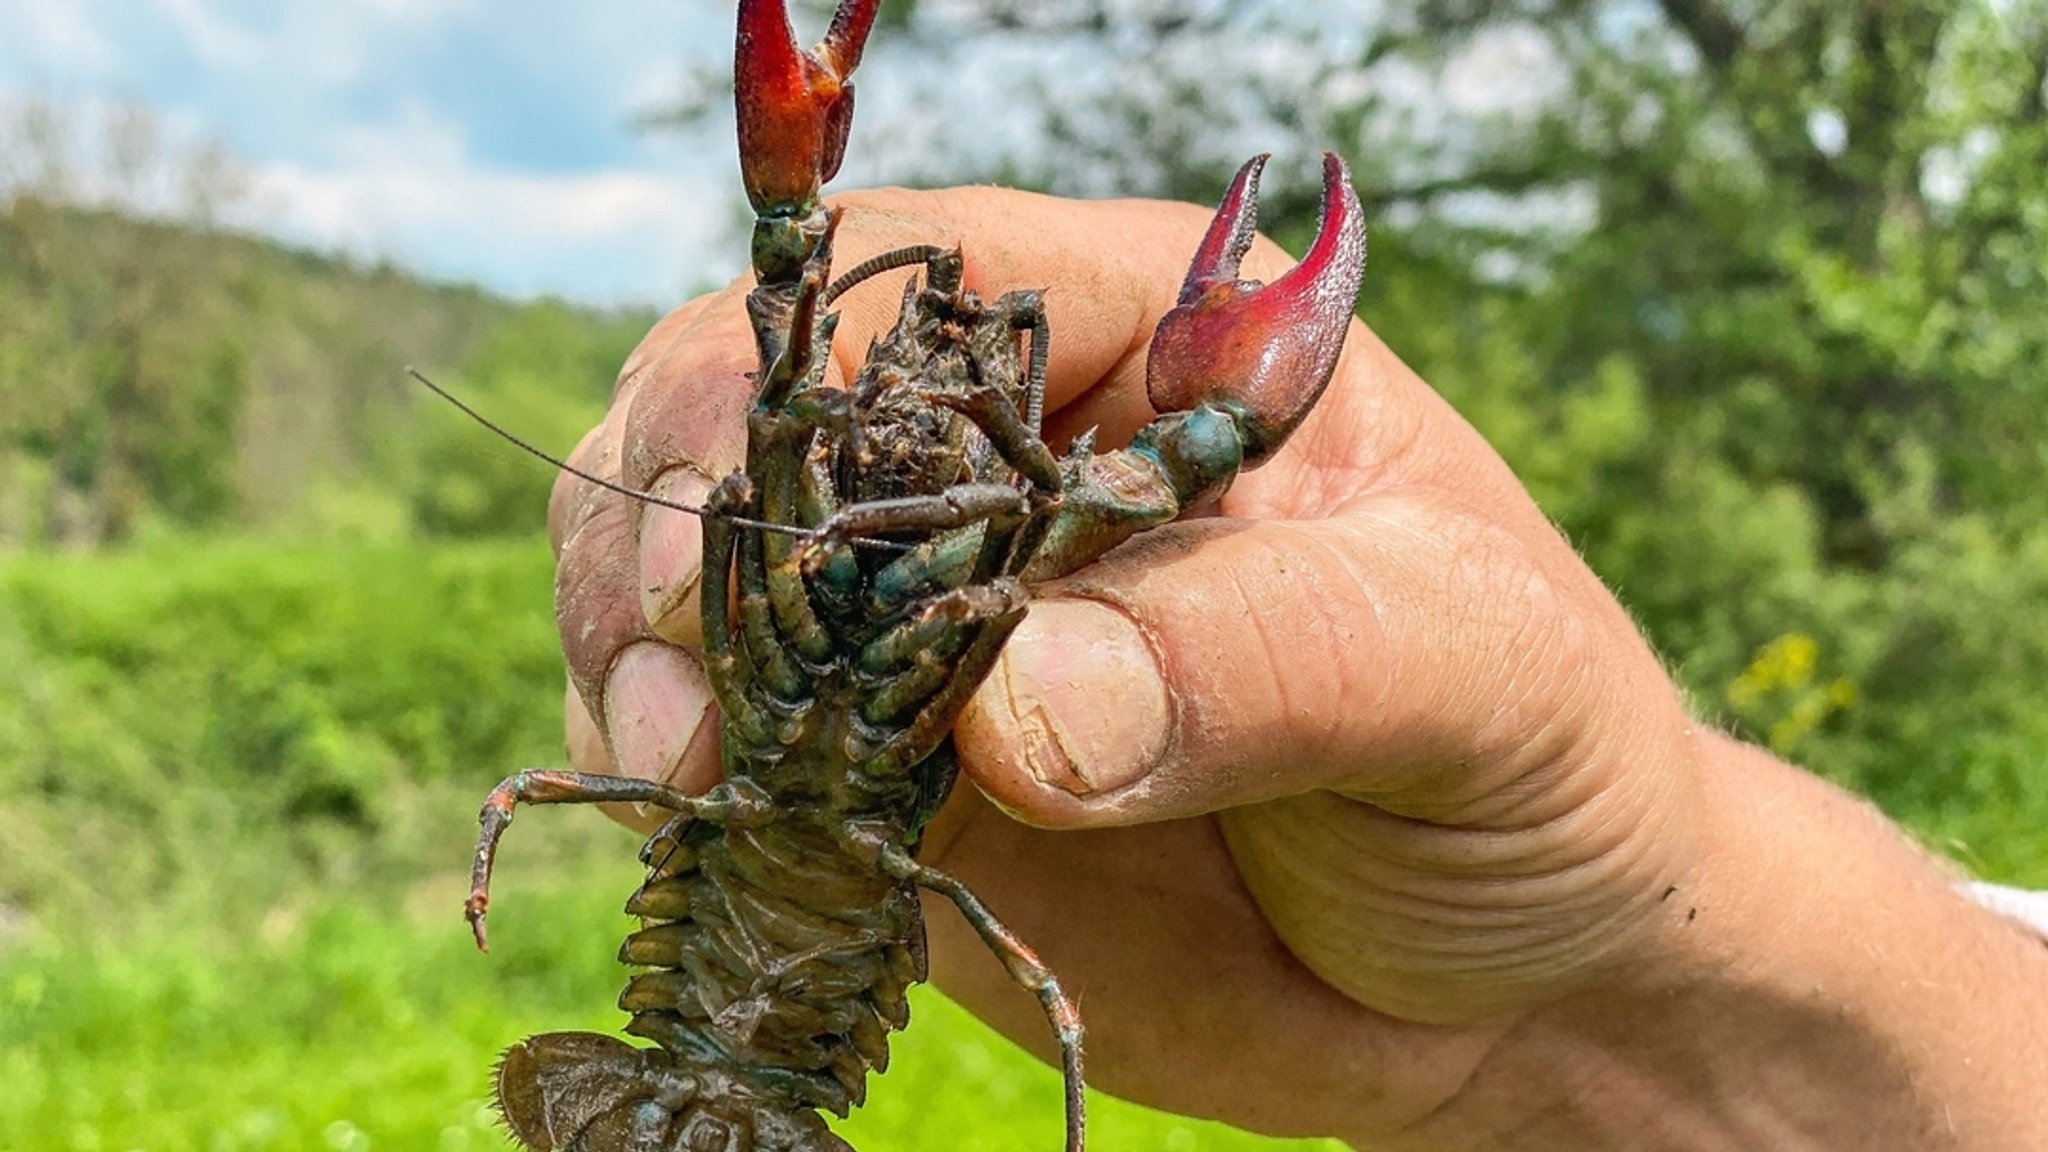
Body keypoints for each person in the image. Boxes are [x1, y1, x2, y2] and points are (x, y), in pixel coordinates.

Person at [544, 185, 2048, 1149]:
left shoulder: (986, 571)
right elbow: (754, 461)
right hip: (749, 931)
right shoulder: (840, 519)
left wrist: (1574, 1009)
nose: (967, 330)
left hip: (822, 916)